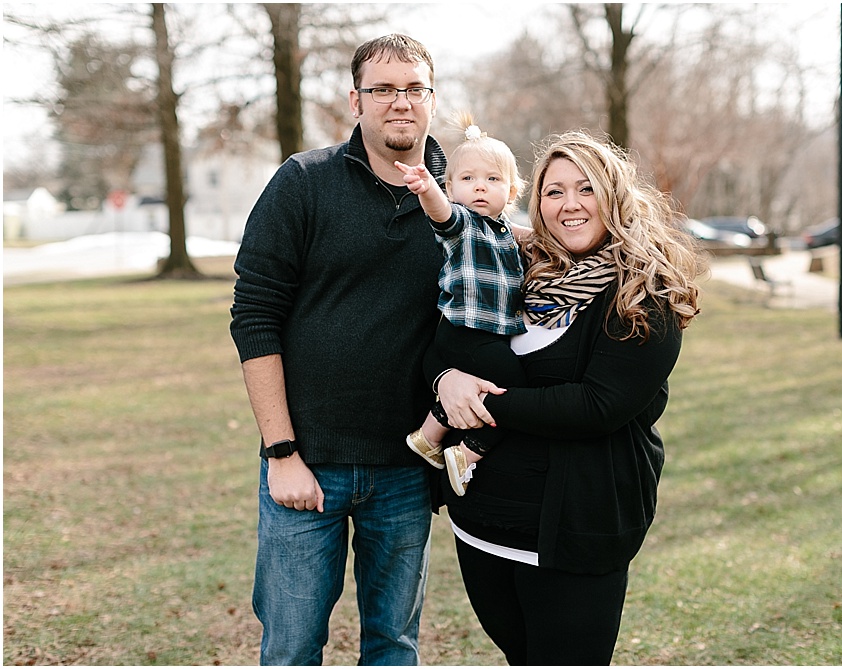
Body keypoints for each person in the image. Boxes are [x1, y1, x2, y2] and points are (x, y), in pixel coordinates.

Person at [430, 130, 706, 665]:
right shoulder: (513, 267)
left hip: (574, 529)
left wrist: (481, 404)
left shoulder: (644, 291)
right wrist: (445, 380)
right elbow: (445, 338)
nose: (569, 205)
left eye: (586, 189)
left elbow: (597, 406)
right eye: (554, 192)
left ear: (615, 196)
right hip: (483, 524)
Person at [229, 34, 447, 666]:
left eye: (414, 88)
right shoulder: (303, 181)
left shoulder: (458, 200)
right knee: (292, 647)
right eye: (383, 89)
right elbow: (255, 317)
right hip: (307, 466)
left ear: (431, 99)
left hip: (407, 469)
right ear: (356, 101)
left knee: (393, 647)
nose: (399, 102)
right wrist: (281, 453)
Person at [395, 113, 529, 497]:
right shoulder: (463, 225)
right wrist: (426, 191)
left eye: (492, 179)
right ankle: (468, 453)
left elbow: (531, 235)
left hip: (485, 335)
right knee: (514, 391)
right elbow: (443, 215)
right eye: (467, 180)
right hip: (464, 332)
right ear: (451, 187)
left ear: (512, 190)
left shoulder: (504, 230)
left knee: (495, 387)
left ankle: (428, 436)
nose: (480, 188)